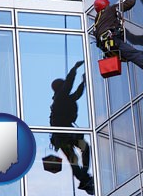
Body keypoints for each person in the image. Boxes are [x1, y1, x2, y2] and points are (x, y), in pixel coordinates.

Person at [93, 0, 143, 82]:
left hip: (108, 47)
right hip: (114, 41)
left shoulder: (97, 23)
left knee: (141, 54)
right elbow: (129, 4)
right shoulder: (110, 10)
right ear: (106, 5)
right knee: (135, 54)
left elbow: (99, 36)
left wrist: (119, 24)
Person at [49, 60, 94, 195]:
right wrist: (74, 69)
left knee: (84, 148)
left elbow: (76, 95)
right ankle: (84, 178)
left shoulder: (64, 99)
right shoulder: (60, 98)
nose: (65, 88)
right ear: (60, 88)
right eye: (63, 86)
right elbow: (69, 85)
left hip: (66, 134)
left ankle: (84, 176)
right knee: (74, 158)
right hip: (63, 136)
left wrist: (83, 83)